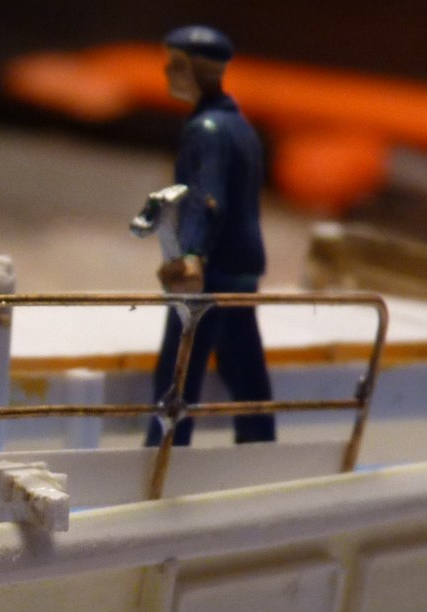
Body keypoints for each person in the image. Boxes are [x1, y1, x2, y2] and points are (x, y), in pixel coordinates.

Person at [146, 25, 275, 447]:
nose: (167, 72)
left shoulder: (206, 129)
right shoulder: (240, 126)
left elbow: (208, 198)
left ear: (197, 71)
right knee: (243, 366)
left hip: (212, 268)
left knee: (178, 371)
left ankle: (164, 454)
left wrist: (191, 253)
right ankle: (259, 448)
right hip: (242, 263)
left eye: (175, 65)